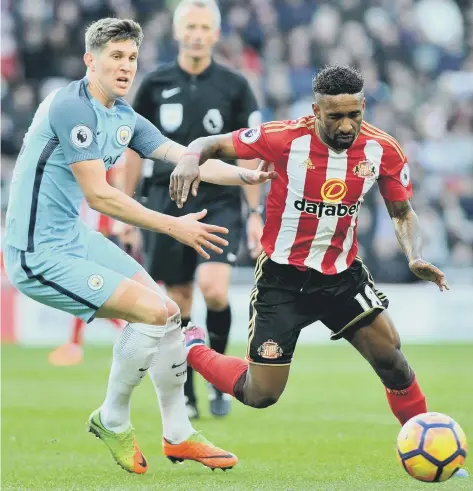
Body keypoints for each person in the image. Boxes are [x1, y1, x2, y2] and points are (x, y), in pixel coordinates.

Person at [3, 18, 274, 474]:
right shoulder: (72, 106)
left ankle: (179, 435)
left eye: (131, 58)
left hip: (74, 239)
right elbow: (101, 195)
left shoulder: (124, 116)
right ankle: (112, 417)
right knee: (152, 313)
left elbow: (182, 157)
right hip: (36, 255)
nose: (126, 67)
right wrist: (174, 226)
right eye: (116, 57)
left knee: (167, 312)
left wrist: (245, 175)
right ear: (91, 60)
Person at [171, 64, 450, 431]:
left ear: (364, 106)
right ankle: (193, 347)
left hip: (340, 277)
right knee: (261, 394)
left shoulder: (383, 150)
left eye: (354, 114)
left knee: (392, 360)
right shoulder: (283, 138)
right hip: (282, 279)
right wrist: (190, 158)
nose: (346, 125)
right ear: (316, 111)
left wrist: (414, 255)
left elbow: (402, 213)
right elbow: (211, 143)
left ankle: (423, 439)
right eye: (336, 116)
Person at [121, 0, 263, 419]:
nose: (198, 34)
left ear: (216, 34)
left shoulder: (236, 86)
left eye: (205, 27)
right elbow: (132, 151)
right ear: (178, 32)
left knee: (215, 289)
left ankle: (221, 380)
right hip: (165, 202)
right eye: (191, 26)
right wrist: (127, 212)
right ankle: (187, 391)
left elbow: (250, 154)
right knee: (178, 301)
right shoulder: (153, 84)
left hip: (218, 200)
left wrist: (254, 215)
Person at [49, 168, 124, 366]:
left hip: (98, 238)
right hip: (93, 236)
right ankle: (76, 344)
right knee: (86, 295)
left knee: (87, 295)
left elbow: (110, 193)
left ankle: (123, 331)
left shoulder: (100, 171)